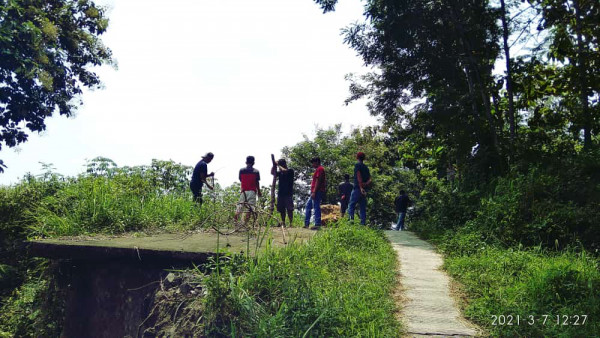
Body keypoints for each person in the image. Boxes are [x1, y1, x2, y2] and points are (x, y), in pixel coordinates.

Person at [234, 156, 261, 224]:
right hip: (252, 191)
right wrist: (259, 191)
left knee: (239, 207)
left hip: (243, 191)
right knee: (250, 208)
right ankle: (245, 223)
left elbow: (240, 179)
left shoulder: (241, 170)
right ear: (253, 163)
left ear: (246, 162)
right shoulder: (256, 171)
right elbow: (257, 182)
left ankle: (235, 222)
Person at [348, 152, 372, 225]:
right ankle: (363, 223)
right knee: (362, 207)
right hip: (364, 189)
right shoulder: (366, 167)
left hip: (358, 188)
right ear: (364, 158)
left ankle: (350, 221)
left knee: (351, 205)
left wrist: (361, 186)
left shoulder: (357, 165)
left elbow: (358, 176)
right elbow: (370, 179)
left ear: (357, 157)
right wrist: (366, 184)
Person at [271, 158, 294, 226]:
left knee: (289, 209)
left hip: (288, 193)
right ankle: (283, 222)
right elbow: (272, 173)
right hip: (281, 193)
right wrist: (274, 165)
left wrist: (278, 165)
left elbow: (284, 171)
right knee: (281, 209)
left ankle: (291, 223)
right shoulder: (280, 173)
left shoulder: (290, 171)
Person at [304, 157, 326, 229]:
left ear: (317, 162)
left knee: (316, 207)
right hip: (315, 191)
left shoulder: (320, 169)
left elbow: (318, 181)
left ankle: (317, 224)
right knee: (308, 206)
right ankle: (306, 223)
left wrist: (314, 192)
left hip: (317, 191)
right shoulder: (318, 169)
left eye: (313, 162)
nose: (312, 164)